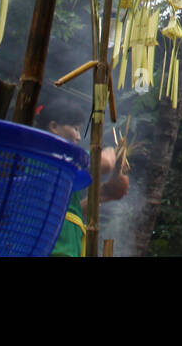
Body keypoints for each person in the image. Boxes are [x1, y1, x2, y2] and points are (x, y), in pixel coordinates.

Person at [36, 96, 129, 258]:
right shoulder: (52, 155)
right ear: (53, 126)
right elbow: (105, 163)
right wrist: (111, 152)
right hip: (54, 246)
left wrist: (103, 195)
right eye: (76, 129)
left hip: (65, 245)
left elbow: (69, 209)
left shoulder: (63, 170)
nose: (79, 137)